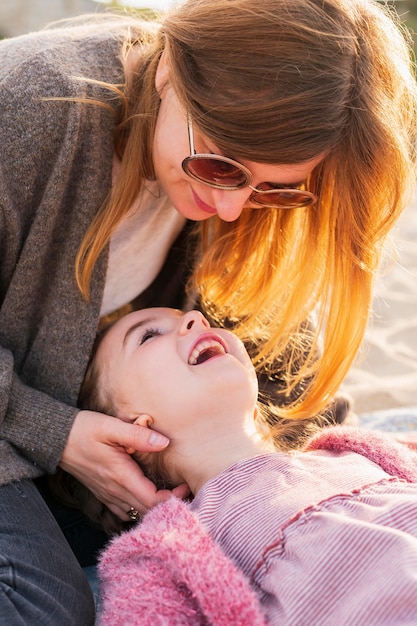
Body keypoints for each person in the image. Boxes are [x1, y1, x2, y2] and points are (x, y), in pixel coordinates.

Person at [0, 0, 416, 622]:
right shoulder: (32, 107)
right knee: (41, 605)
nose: (230, 209)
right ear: (168, 71)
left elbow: (274, 335)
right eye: (220, 165)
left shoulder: (234, 190)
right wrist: (50, 430)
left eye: (273, 189)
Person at [68, 306, 417, 625]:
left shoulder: (354, 451)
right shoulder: (171, 548)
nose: (195, 318)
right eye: (149, 335)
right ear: (132, 431)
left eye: (196, 317)